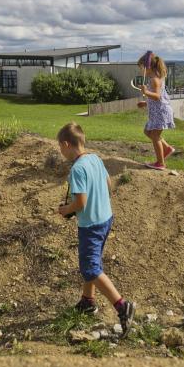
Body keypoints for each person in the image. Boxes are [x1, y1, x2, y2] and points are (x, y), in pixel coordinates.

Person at [56, 122, 136, 336]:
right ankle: (88, 301)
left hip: (90, 225)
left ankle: (122, 306)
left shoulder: (77, 169)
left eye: (60, 148)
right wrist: (100, 200)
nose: (61, 152)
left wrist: (66, 210)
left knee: (90, 267)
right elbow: (109, 183)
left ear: (66, 144)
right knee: (93, 260)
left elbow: (80, 202)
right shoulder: (95, 158)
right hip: (105, 218)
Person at [137, 50, 175, 170]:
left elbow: (158, 96)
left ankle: (160, 163)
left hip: (161, 113)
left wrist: (145, 92)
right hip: (157, 112)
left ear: (148, 67)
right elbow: (156, 99)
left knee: (154, 136)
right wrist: (146, 102)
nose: (140, 70)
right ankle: (167, 148)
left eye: (141, 67)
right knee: (148, 132)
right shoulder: (153, 78)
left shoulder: (155, 80)